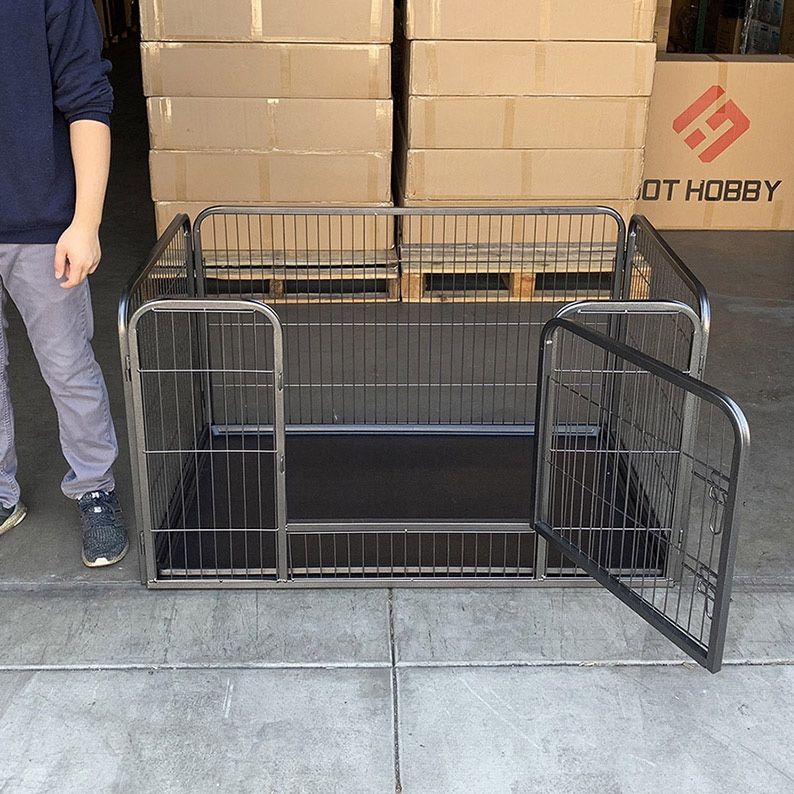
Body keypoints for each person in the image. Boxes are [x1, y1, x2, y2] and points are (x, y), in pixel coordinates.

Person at [0, 0, 128, 567]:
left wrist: (87, 222)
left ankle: (95, 487)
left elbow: (87, 98)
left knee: (67, 366)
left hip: (43, 222)